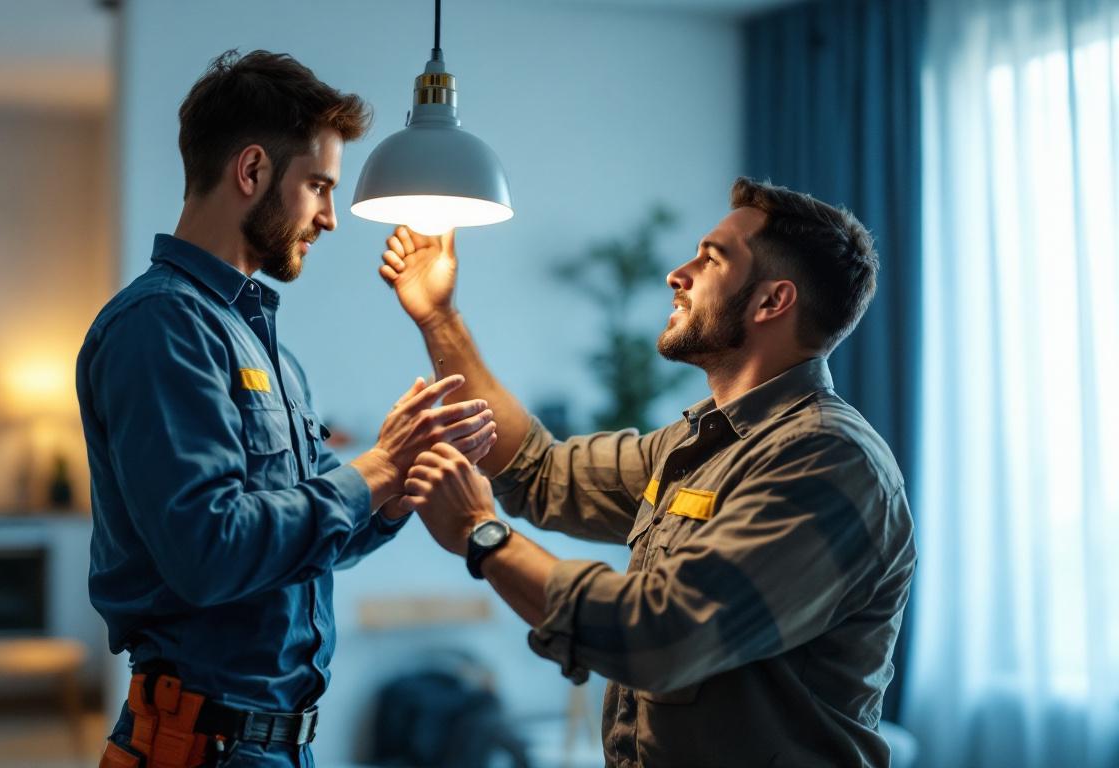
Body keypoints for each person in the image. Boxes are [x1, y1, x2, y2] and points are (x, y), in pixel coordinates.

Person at [378, 177, 917, 767]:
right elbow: (539, 471)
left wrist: (482, 534)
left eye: (711, 259)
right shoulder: (696, 443)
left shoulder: (827, 459)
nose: (677, 274)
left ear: (771, 302)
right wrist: (439, 318)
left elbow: (660, 637)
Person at [75, 50, 497, 768]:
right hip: (199, 748)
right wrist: (375, 469)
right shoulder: (161, 326)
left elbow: (309, 540)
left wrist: (394, 490)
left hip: (272, 747)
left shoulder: (264, 346)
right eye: (319, 186)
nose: (330, 217)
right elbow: (209, 552)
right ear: (251, 171)